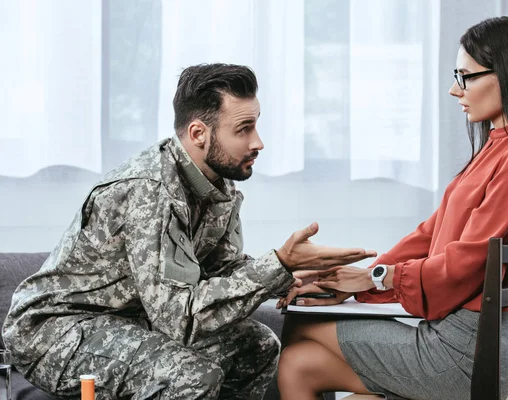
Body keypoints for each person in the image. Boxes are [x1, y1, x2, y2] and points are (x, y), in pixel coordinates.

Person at [2, 63, 376, 399]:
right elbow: (179, 320)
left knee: (258, 345)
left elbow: (220, 271)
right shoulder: (149, 192)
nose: (258, 142)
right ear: (199, 132)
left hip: (131, 318)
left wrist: (289, 274)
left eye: (256, 124)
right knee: (191, 377)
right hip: (55, 330)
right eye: (244, 129)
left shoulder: (219, 186)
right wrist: (278, 264)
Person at [277, 16, 508, 400]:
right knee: (297, 364)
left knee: (297, 326)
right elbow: (430, 234)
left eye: (465, 76)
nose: (454, 89)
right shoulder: (499, 148)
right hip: (448, 339)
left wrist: (376, 279)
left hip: (462, 356)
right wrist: (362, 278)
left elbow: (468, 260)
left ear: (507, 75)